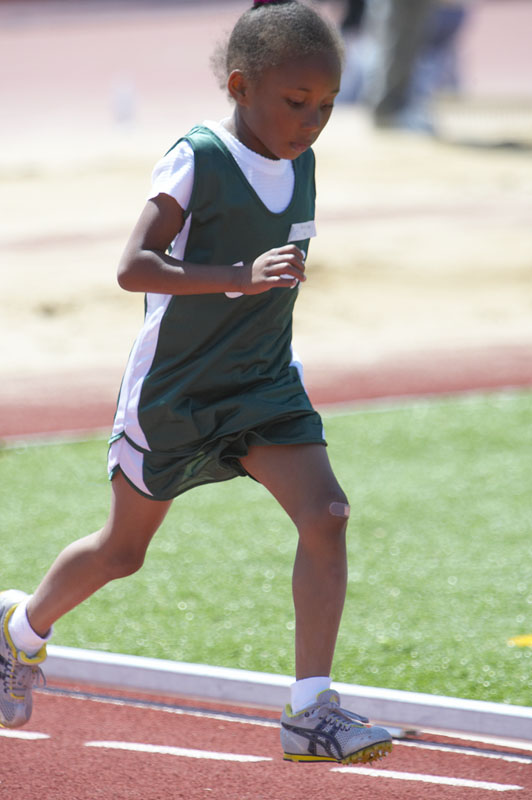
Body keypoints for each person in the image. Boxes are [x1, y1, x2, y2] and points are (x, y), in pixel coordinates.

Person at [0, 0, 392, 765]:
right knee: (122, 552)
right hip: (175, 392)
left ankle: (310, 712)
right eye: (296, 102)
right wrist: (239, 275)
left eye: (326, 106)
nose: (311, 122)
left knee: (328, 513)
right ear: (241, 86)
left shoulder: (302, 164)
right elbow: (132, 267)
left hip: (263, 382)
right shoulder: (198, 158)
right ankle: (19, 631)